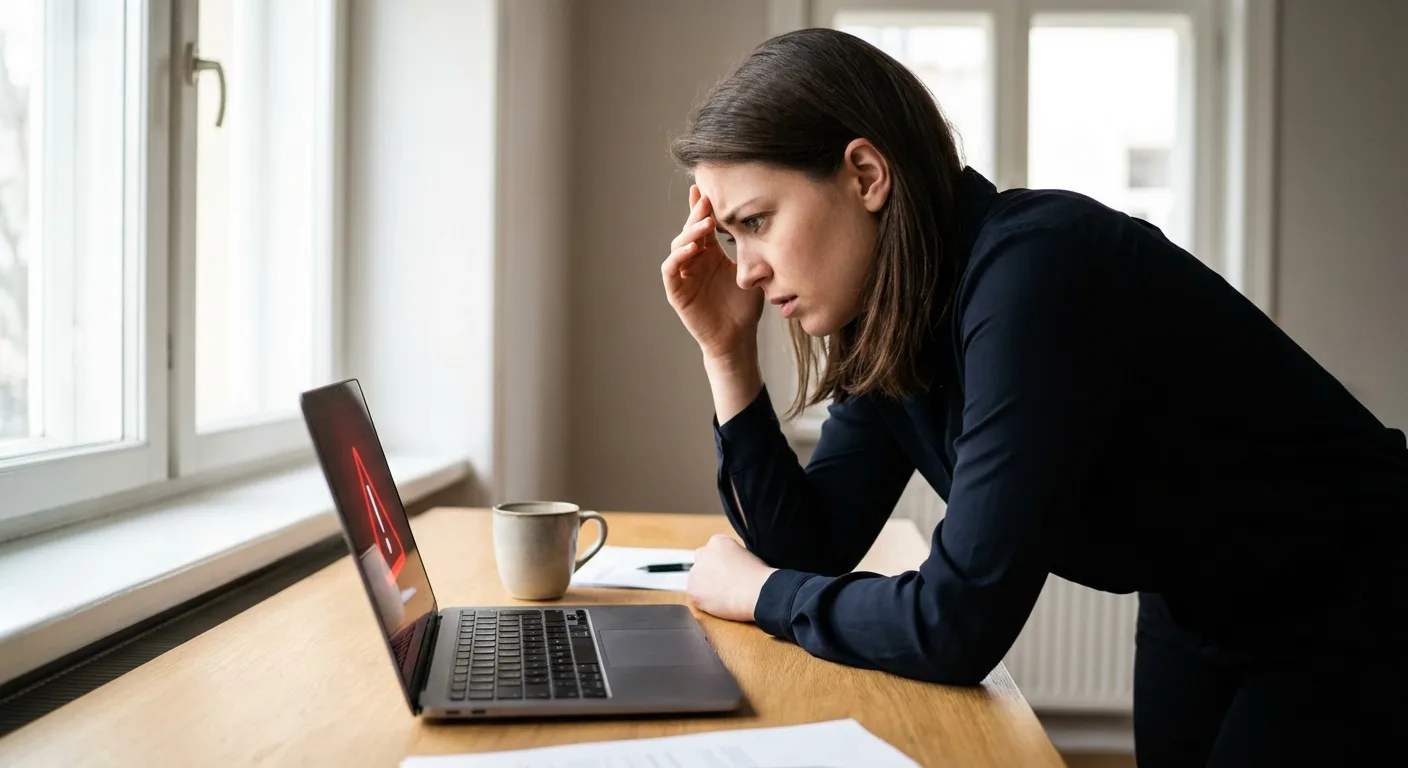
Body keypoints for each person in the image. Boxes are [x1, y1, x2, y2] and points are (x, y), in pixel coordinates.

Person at [660, 28, 1408, 766]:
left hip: (1352, 590)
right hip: (1194, 603)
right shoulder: (894, 317)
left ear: (864, 175)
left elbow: (956, 626)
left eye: (756, 222)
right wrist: (727, 353)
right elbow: (808, 549)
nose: (746, 269)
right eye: (729, 237)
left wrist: (761, 595)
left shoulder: (1036, 274)